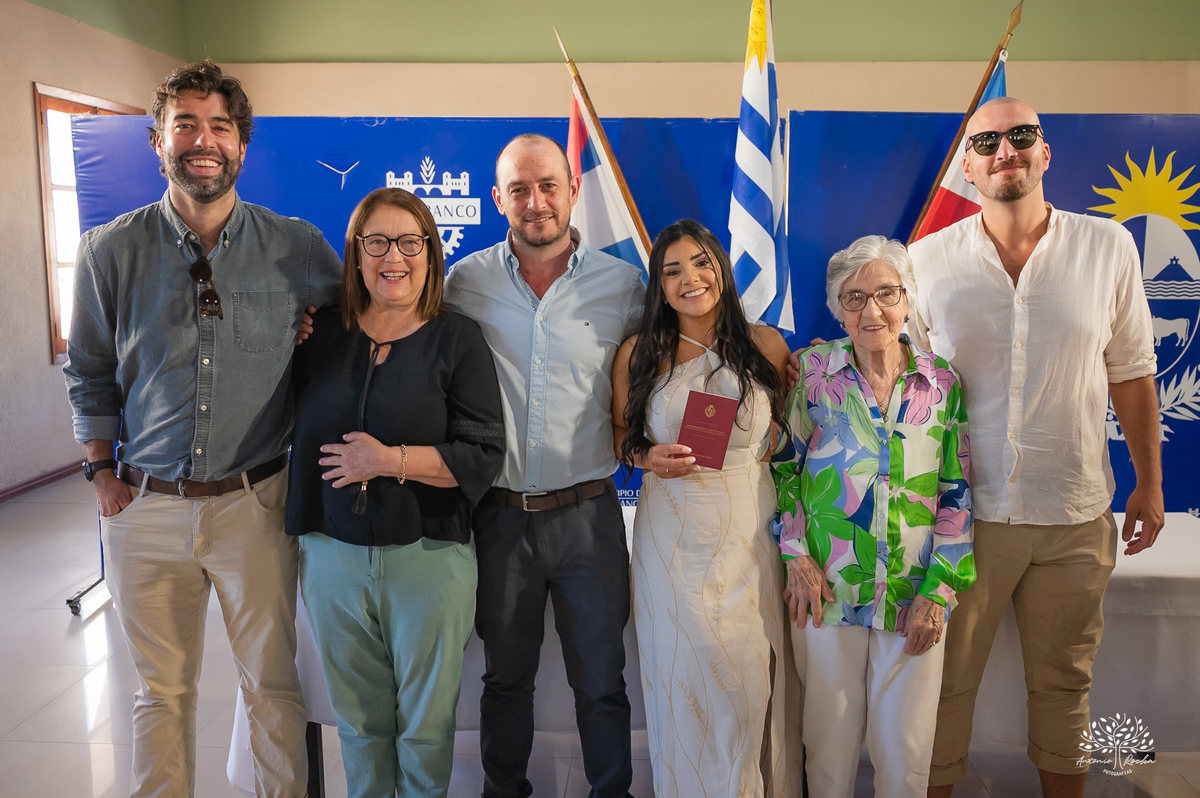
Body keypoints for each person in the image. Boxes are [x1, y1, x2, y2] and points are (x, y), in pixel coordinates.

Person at [63, 61, 342, 797]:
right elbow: (88, 369)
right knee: (160, 694)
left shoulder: (298, 247)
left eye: (220, 126)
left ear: (243, 145)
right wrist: (100, 473)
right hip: (144, 506)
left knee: (274, 688)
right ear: (158, 140)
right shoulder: (108, 253)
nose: (203, 140)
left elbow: (356, 332)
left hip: (258, 503)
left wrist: (315, 332)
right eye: (186, 124)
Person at [908, 98, 1162, 798]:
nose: (1005, 151)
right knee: (945, 683)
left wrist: (1150, 484)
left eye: (1021, 136)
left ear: (1045, 153)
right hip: (968, 519)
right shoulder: (926, 261)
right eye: (987, 141)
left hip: (1074, 511)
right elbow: (911, 396)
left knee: (1065, 684)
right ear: (968, 165)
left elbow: (1133, 373)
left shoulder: (1107, 247)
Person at [443, 133, 646, 798]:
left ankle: (609, 791)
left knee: (600, 680)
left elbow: (692, 344)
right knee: (505, 680)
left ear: (572, 189)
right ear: (497, 198)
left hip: (590, 516)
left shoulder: (624, 285)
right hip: (498, 520)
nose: (536, 202)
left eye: (549, 186)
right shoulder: (463, 282)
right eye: (520, 190)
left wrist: (766, 347)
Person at [287, 187, 504, 798]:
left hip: (429, 559)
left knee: (426, 729)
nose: (394, 257)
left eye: (411, 242)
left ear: (431, 254)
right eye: (376, 242)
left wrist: (387, 461)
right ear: (355, 255)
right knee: (358, 723)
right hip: (332, 555)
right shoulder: (317, 334)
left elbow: (483, 455)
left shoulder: (457, 339)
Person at [774, 236, 974, 798]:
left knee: (906, 759)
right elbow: (783, 472)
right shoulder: (814, 372)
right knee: (827, 756)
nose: (872, 311)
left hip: (914, 593)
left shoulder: (943, 383)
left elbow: (957, 494)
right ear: (838, 310)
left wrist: (939, 592)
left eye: (886, 294)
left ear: (908, 301)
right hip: (826, 590)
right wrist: (796, 556)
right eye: (854, 298)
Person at [611, 220, 795, 798]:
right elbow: (620, 436)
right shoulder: (641, 352)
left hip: (748, 534)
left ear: (721, 269)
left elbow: (785, 433)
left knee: (745, 682)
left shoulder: (764, 345)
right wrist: (647, 458)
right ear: (659, 287)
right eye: (672, 270)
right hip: (673, 540)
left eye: (701, 263)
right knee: (684, 675)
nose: (689, 278)